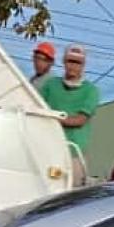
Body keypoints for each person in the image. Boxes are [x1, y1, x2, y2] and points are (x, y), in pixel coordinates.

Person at [40, 45, 99, 187]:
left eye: (77, 62)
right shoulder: (50, 85)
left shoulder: (91, 90)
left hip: (73, 153)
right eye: (70, 61)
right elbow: (38, 109)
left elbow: (79, 120)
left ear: (83, 65)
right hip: (47, 148)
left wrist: (53, 118)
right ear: (64, 62)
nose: (73, 66)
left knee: (70, 194)